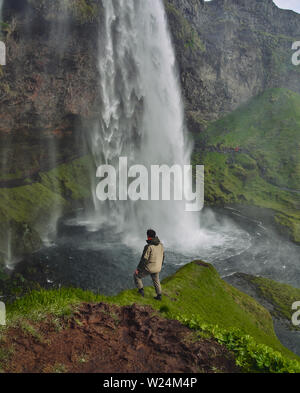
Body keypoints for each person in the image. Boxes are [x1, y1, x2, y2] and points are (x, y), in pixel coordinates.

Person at [134, 229, 165, 301]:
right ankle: (159, 295)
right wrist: (160, 265)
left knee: (137, 276)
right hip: (158, 267)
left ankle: (141, 291)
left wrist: (138, 269)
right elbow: (163, 256)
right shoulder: (161, 245)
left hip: (150, 268)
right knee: (156, 280)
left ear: (148, 236)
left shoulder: (148, 246)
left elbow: (144, 259)